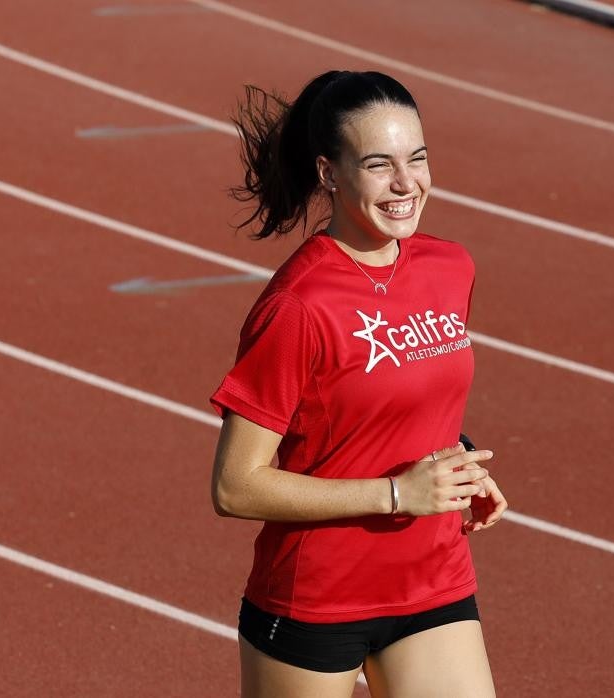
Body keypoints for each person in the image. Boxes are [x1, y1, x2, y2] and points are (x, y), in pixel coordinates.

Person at [209, 70, 507, 698]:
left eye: (417, 159)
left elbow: (400, 397)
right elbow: (235, 485)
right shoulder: (298, 305)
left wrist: (458, 464)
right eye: (379, 165)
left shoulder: (450, 267)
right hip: (316, 603)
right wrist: (398, 493)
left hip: (434, 583)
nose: (407, 184)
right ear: (329, 174)